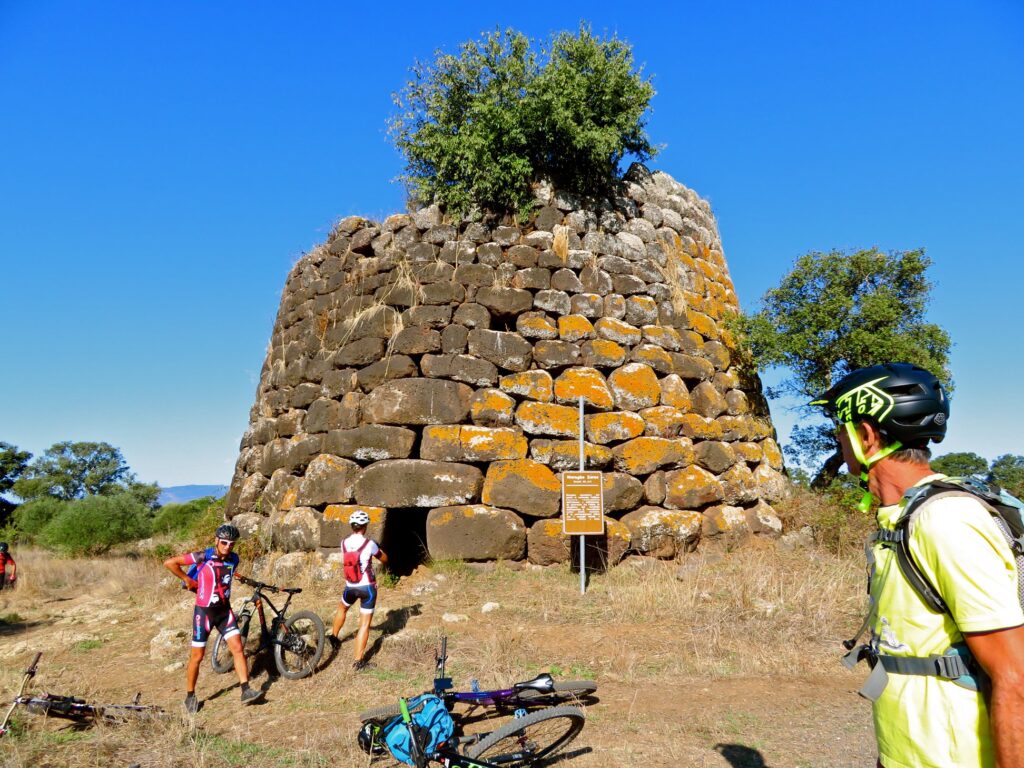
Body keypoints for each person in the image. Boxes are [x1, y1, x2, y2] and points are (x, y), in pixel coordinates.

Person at [811, 362, 1024, 768]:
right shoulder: (901, 518)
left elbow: (1016, 676)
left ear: (867, 436)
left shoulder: (945, 520)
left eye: (841, 430)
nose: (838, 443)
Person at [163, 523, 264, 712]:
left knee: (238, 648)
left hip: (224, 611)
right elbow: (170, 563)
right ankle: (190, 695)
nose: (227, 546)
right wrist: (187, 579)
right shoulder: (203, 556)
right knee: (197, 657)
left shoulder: (234, 559)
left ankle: (246, 690)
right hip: (204, 613)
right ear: (217, 540)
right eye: (224, 542)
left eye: (231, 544)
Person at [330, 510, 387, 671]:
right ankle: (358, 661)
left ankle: (333, 637)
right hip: (367, 587)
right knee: (364, 624)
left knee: (342, 608)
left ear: (352, 526)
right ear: (365, 526)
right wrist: (379, 548)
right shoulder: (369, 544)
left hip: (350, 586)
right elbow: (384, 558)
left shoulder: (343, 543)